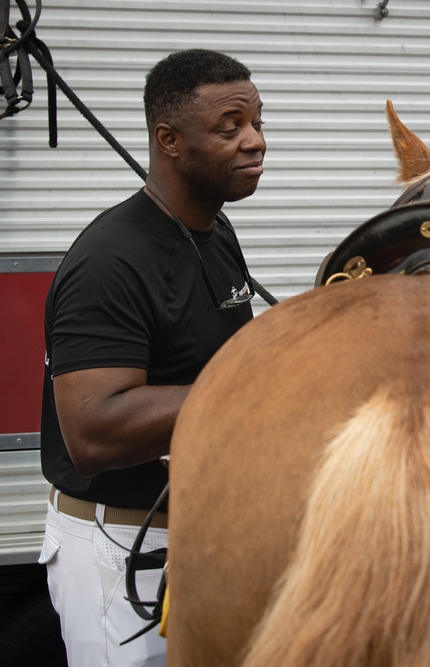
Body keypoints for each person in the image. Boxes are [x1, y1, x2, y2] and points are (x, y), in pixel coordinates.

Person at [38, 48, 266, 665]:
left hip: (199, 536)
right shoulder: (111, 259)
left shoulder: (217, 235)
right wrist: (258, 385)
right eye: (230, 128)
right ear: (169, 139)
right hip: (118, 547)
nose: (255, 142)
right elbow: (92, 429)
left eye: (257, 122)